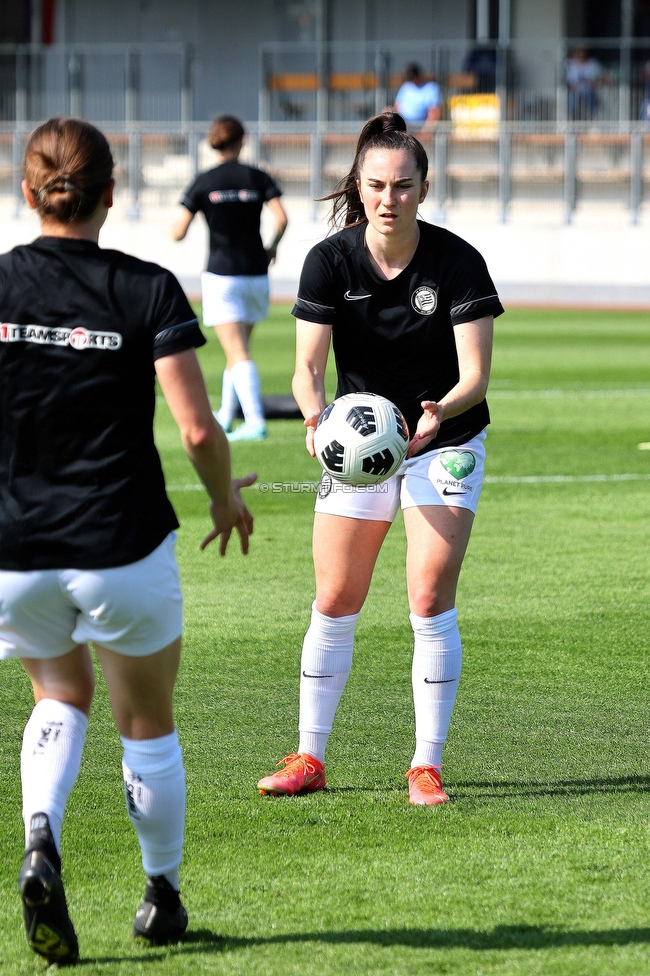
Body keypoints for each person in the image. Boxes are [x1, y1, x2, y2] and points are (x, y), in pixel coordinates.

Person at [0, 117, 254, 964]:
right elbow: (194, 429)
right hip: (122, 544)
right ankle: (162, 895)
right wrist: (225, 502)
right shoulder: (146, 288)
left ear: (27, 191)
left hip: (16, 550)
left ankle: (42, 834)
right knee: (145, 721)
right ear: (111, 193)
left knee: (57, 695)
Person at [257, 112, 502, 805]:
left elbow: (475, 375)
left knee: (428, 596)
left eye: (402, 185)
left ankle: (425, 765)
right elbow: (307, 369)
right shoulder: (329, 260)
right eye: (375, 185)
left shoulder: (457, 262)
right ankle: (309, 757)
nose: (387, 198)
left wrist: (436, 414)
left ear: (424, 187)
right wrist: (313, 418)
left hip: (444, 437)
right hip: (358, 448)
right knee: (335, 599)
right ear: (357, 187)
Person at [172, 115, 288, 442]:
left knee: (237, 352)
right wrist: (271, 248)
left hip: (222, 275)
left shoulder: (205, 180)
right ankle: (225, 415)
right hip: (255, 273)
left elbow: (178, 231)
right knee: (236, 350)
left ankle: (254, 422)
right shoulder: (257, 176)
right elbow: (281, 219)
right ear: (242, 140)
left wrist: (174, 231)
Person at [566, 48, 601, 121]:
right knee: (572, 97)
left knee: (589, 95)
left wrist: (592, 84)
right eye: (579, 53)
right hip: (575, 90)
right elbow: (568, 81)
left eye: (583, 53)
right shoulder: (571, 64)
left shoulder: (591, 64)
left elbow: (597, 78)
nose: (581, 55)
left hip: (587, 90)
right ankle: (570, 117)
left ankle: (592, 117)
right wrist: (573, 87)